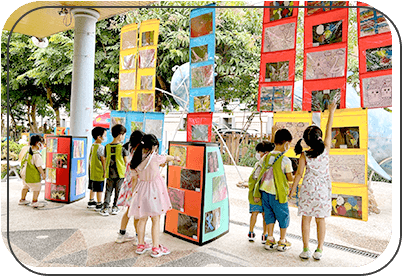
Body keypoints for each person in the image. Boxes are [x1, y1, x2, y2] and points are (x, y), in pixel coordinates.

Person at [289, 102, 337, 260]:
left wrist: (292, 190)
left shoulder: (304, 155)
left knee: (306, 219)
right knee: (320, 220)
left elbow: (299, 175)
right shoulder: (326, 149)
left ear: (307, 141)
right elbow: (329, 129)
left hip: (308, 190)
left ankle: (305, 249)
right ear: (320, 138)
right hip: (322, 191)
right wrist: (331, 112)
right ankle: (319, 250)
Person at [128, 134, 180, 258]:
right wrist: (175, 158)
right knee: (155, 219)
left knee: (142, 218)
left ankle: (141, 245)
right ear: (154, 146)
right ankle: (156, 248)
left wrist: (133, 194)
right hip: (154, 191)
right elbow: (166, 157)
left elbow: (134, 179)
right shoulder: (154, 157)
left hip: (141, 190)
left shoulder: (136, 159)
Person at [252, 129, 294, 251]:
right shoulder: (285, 160)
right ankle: (282, 241)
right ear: (286, 143)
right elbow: (289, 178)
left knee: (269, 216)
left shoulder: (266, 157)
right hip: (278, 194)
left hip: (265, 193)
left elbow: (258, 174)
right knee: (283, 216)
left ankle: (269, 239)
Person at [115, 130, 145, 244]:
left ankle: (121, 234)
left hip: (128, 186)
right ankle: (138, 238)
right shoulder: (139, 153)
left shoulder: (131, 150)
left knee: (129, 211)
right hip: (135, 186)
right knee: (137, 213)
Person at [248, 141, 275, 243]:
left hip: (257, 194)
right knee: (265, 215)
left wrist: (255, 193)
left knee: (256, 213)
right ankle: (265, 234)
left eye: (259, 152)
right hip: (263, 194)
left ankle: (252, 232)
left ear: (266, 153)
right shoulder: (265, 164)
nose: (257, 154)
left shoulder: (260, 164)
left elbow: (256, 179)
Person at [100, 124, 129, 216]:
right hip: (120, 173)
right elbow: (126, 162)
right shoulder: (123, 148)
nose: (124, 137)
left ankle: (105, 207)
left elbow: (104, 159)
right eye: (124, 135)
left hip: (109, 172)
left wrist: (105, 172)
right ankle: (115, 207)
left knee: (108, 190)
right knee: (118, 190)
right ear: (120, 135)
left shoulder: (107, 146)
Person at [19, 135, 46, 208]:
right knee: (37, 186)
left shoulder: (28, 151)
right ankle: (34, 201)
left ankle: (22, 199)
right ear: (38, 143)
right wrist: (43, 174)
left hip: (24, 173)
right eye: (42, 143)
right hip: (31, 174)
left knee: (26, 186)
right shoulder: (36, 154)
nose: (42, 146)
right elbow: (39, 166)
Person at [87, 127, 107, 211]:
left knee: (92, 187)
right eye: (104, 135)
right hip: (99, 172)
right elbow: (103, 160)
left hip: (92, 172)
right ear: (99, 137)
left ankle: (91, 201)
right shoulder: (101, 147)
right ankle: (99, 203)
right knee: (99, 189)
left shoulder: (93, 146)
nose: (105, 137)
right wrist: (105, 171)